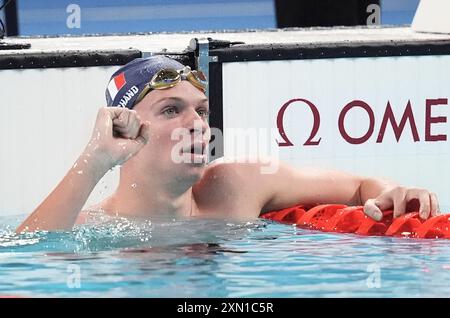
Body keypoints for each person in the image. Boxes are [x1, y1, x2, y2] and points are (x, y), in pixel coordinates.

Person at [16, 55, 440, 233]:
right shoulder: (98, 229)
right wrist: (95, 160)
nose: (197, 125)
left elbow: (364, 186)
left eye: (201, 111)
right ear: (125, 130)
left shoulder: (236, 185)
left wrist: (394, 191)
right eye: (170, 110)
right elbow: (23, 260)